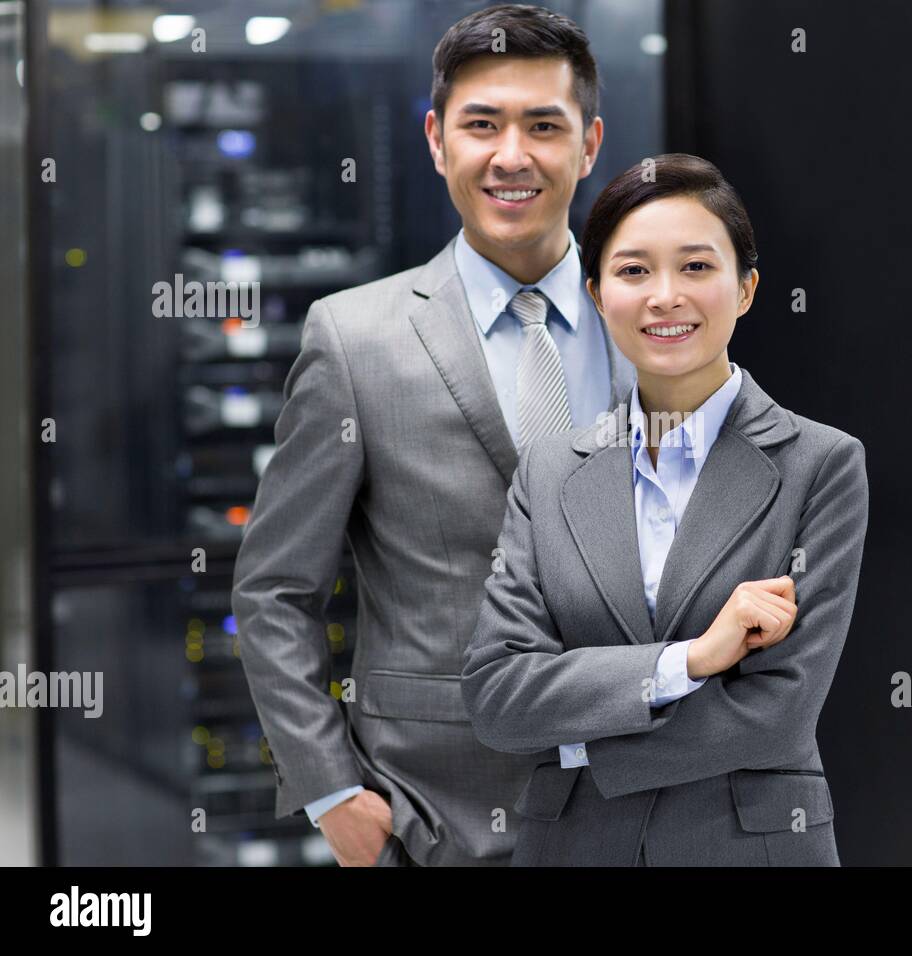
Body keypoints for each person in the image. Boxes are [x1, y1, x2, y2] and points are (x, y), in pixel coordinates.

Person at [231, 4, 634, 867]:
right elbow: (274, 592)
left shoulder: (653, 324)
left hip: (648, 808)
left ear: (590, 144)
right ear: (436, 140)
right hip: (435, 815)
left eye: (543, 126)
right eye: (481, 125)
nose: (512, 155)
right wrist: (333, 792)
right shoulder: (355, 339)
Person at [462, 153, 870, 865]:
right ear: (595, 295)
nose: (665, 296)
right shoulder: (551, 472)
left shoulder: (820, 464)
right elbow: (499, 694)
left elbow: (779, 715)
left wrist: (581, 743)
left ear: (746, 288)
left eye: (696, 267)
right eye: (632, 271)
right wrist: (692, 660)